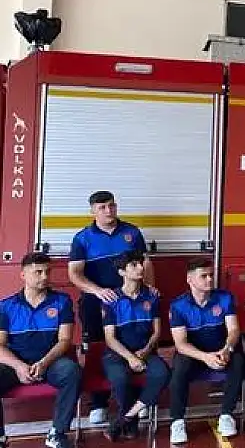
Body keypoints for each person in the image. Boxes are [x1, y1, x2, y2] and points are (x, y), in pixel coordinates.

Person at [67, 190, 156, 425]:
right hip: (97, 303)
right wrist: (97, 291)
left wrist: (149, 289)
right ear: (93, 211)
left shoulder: (131, 232)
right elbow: (74, 274)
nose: (108, 211)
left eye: (111, 206)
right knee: (99, 349)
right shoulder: (82, 238)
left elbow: (145, 263)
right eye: (102, 207)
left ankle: (137, 400)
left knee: (134, 343)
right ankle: (99, 403)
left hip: (132, 303)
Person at [0, 253, 81, 448]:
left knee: (72, 372)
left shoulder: (62, 301)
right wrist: (19, 366)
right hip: (16, 363)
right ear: (23, 275)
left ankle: (57, 433)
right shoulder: (6, 306)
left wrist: (44, 363)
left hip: (51, 362)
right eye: (38, 272)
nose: (44, 276)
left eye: (47, 271)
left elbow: (64, 340)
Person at [166, 258, 245, 444]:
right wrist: (205, 357)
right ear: (190, 279)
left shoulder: (225, 298)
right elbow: (181, 344)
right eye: (204, 276)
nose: (209, 279)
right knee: (179, 368)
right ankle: (177, 421)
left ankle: (226, 415)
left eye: (211, 275)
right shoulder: (178, 306)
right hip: (194, 353)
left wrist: (227, 349)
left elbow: (234, 330)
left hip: (220, 348)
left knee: (239, 360)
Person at [100, 250, 170, 442]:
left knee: (162, 374)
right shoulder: (111, 299)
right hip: (117, 354)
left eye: (140, 263)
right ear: (122, 272)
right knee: (120, 379)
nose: (141, 268)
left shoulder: (152, 296)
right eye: (134, 265)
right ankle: (130, 423)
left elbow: (156, 333)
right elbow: (110, 339)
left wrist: (145, 352)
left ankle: (125, 418)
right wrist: (130, 357)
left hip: (145, 351)